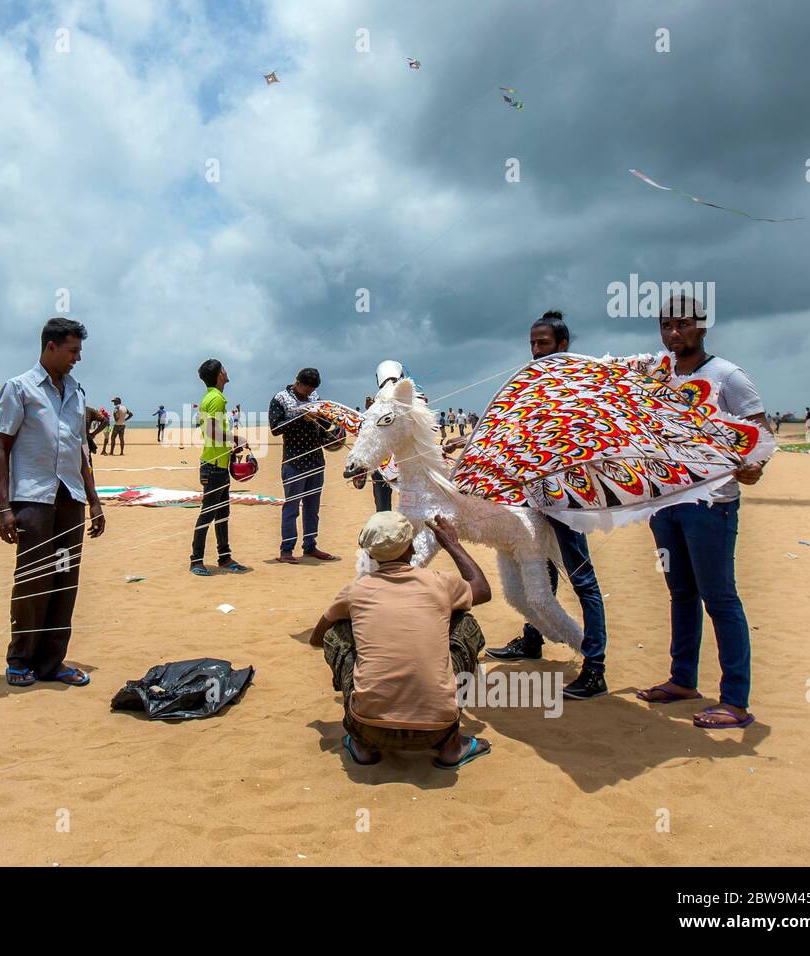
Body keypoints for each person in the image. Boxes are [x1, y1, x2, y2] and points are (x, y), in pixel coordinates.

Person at [631, 297, 769, 729]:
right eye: (667, 325)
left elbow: (760, 430)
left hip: (712, 504)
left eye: (684, 324)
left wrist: (755, 466)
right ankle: (682, 679)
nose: (675, 333)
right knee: (681, 593)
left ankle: (735, 700)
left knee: (720, 597)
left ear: (703, 327)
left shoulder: (727, 375)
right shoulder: (659, 377)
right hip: (666, 502)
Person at [464, 311, 609, 699]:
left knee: (581, 578)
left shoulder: (580, 386)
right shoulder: (529, 388)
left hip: (570, 501)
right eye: (532, 343)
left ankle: (595, 667)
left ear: (562, 346)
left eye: (543, 343)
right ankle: (533, 639)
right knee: (539, 572)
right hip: (532, 497)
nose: (535, 350)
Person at [310, 512, 493, 769]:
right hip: (438, 729)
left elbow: (318, 638)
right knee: (465, 623)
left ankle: (362, 746)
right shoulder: (439, 582)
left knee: (336, 631)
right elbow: (482, 590)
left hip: (367, 727)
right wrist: (452, 543)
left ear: (371, 555)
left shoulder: (356, 590)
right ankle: (451, 747)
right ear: (411, 547)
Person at [0, 317, 105, 687]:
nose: (77, 358)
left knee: (64, 578)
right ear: (50, 347)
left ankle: (52, 662)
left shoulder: (77, 393)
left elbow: (81, 451)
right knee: (32, 580)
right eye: (73, 351)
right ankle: (20, 659)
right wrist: (4, 508)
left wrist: (94, 500)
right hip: (33, 500)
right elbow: (0, 448)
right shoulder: (20, 388)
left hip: (70, 500)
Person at [269, 367, 343, 563]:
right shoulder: (281, 398)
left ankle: (310, 546)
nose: (309, 393)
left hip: (316, 460)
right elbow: (275, 427)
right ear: (298, 382)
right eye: (306, 389)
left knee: (312, 508)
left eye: (312, 390)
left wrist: (324, 422)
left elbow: (326, 425)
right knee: (292, 507)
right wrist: (301, 417)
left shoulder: (316, 398)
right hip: (294, 461)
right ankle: (286, 550)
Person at [190, 359, 251, 576]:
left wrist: (230, 447)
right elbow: (212, 431)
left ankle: (225, 557)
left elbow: (213, 435)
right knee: (208, 514)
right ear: (219, 374)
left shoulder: (212, 397)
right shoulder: (215, 399)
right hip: (213, 467)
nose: (227, 371)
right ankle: (196, 561)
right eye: (224, 368)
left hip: (218, 464)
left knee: (223, 514)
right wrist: (237, 437)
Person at [350, 397, 393, 512]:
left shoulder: (392, 419)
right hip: (379, 467)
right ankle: (384, 522)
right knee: (382, 502)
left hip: (398, 464)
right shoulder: (366, 423)